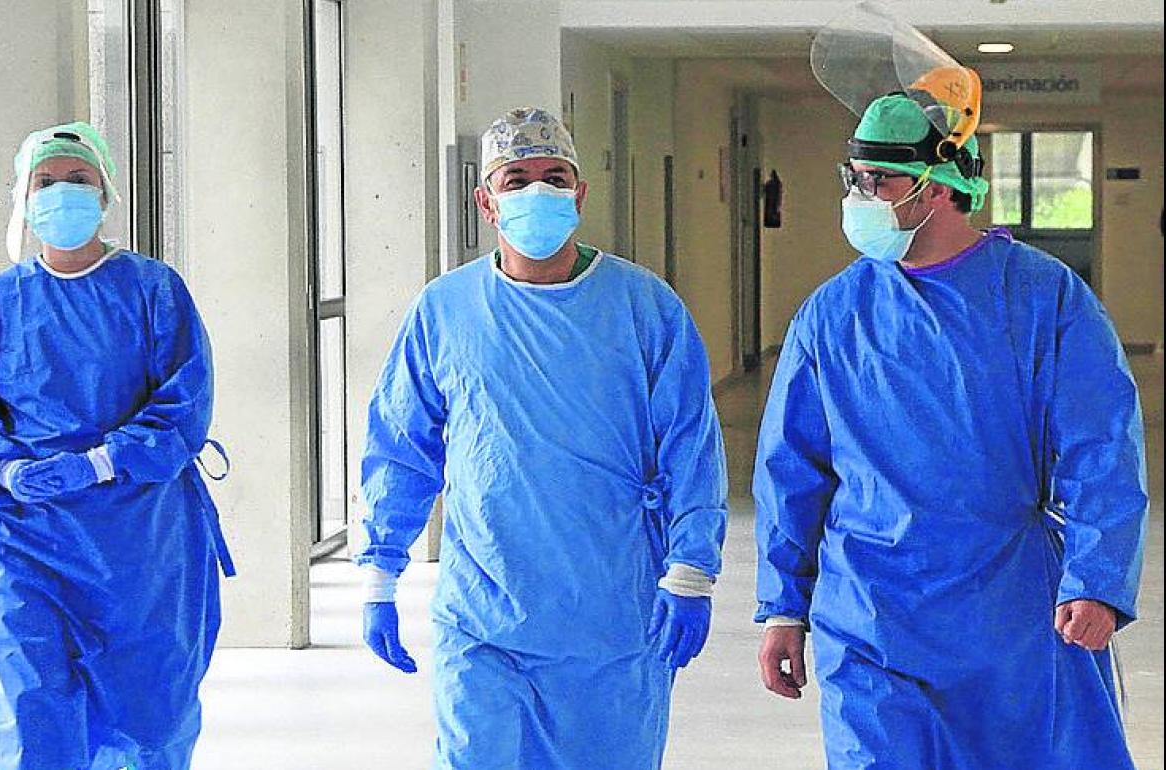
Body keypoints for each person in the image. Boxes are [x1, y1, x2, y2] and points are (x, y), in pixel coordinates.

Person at [753, 92, 1148, 769]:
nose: (859, 197)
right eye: (854, 178)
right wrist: (784, 607)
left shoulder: (1041, 298)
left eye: (878, 181)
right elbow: (792, 467)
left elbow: (1101, 445)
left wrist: (1095, 579)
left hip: (1009, 611)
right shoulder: (835, 313)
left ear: (937, 186)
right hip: (871, 611)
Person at [355, 107, 728, 769]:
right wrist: (380, 573)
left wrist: (691, 570)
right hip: (483, 615)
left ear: (579, 194)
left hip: (612, 615)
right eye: (516, 179)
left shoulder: (643, 308)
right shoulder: (446, 309)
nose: (537, 192)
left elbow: (690, 446)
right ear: (486, 201)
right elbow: (401, 445)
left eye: (554, 178)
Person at [0, 121, 234, 770]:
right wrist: (4, 470)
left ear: (105, 193)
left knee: (149, 717)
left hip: (140, 542)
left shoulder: (153, 291)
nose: (62, 192)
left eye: (78, 179)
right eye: (46, 182)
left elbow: (185, 403)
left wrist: (102, 462)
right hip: (26, 539)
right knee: (33, 711)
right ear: (23, 197)